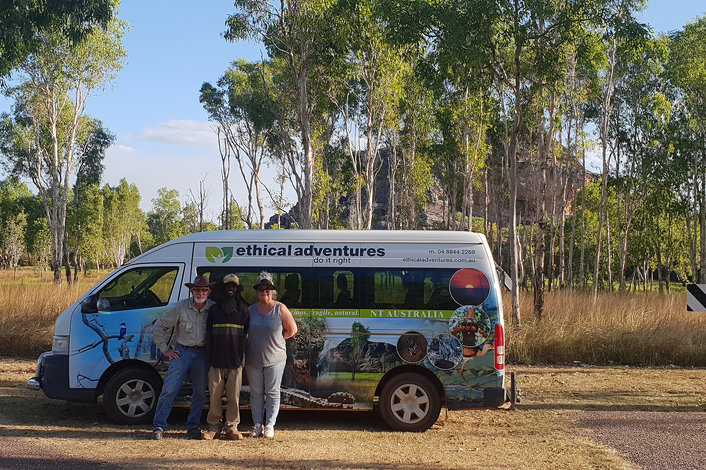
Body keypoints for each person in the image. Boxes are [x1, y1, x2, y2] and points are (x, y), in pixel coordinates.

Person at [151, 275, 215, 440]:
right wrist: (165, 349)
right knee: (169, 390)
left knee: (200, 393)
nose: (200, 292)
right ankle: (159, 426)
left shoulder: (213, 308)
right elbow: (160, 326)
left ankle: (193, 426)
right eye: (197, 289)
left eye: (203, 290)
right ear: (192, 290)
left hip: (202, 354)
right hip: (181, 352)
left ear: (209, 291)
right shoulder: (180, 307)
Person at [245, 271, 298, 438]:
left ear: (272, 291)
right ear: (256, 291)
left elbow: (292, 330)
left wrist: (278, 341)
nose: (264, 292)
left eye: (268, 289)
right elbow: (244, 331)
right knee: (256, 393)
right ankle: (257, 424)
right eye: (261, 289)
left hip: (275, 358)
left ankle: (269, 425)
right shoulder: (250, 310)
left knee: (273, 392)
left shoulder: (280, 308)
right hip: (253, 358)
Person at [202, 273, 249, 441]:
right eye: (227, 285)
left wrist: (242, 361)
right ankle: (213, 427)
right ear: (222, 288)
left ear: (237, 289)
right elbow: (208, 336)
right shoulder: (214, 310)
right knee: (214, 396)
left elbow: (246, 338)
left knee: (233, 397)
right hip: (215, 362)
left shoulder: (243, 310)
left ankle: (232, 427)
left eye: (234, 286)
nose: (230, 288)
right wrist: (209, 360)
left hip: (235, 362)